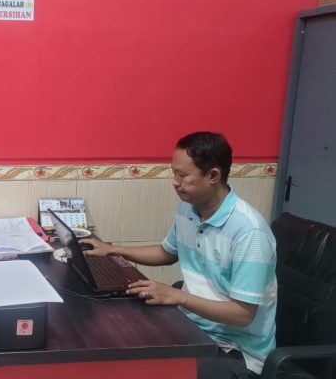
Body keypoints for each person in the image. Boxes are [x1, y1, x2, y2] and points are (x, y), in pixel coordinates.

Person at [81, 131, 276, 379]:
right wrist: (113, 249)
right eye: (174, 173)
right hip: (192, 329)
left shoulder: (249, 232)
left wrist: (179, 297)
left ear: (213, 175)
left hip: (237, 352)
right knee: (119, 343)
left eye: (182, 175)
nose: (175, 182)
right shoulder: (189, 208)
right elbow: (166, 252)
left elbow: (242, 314)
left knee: (150, 371)